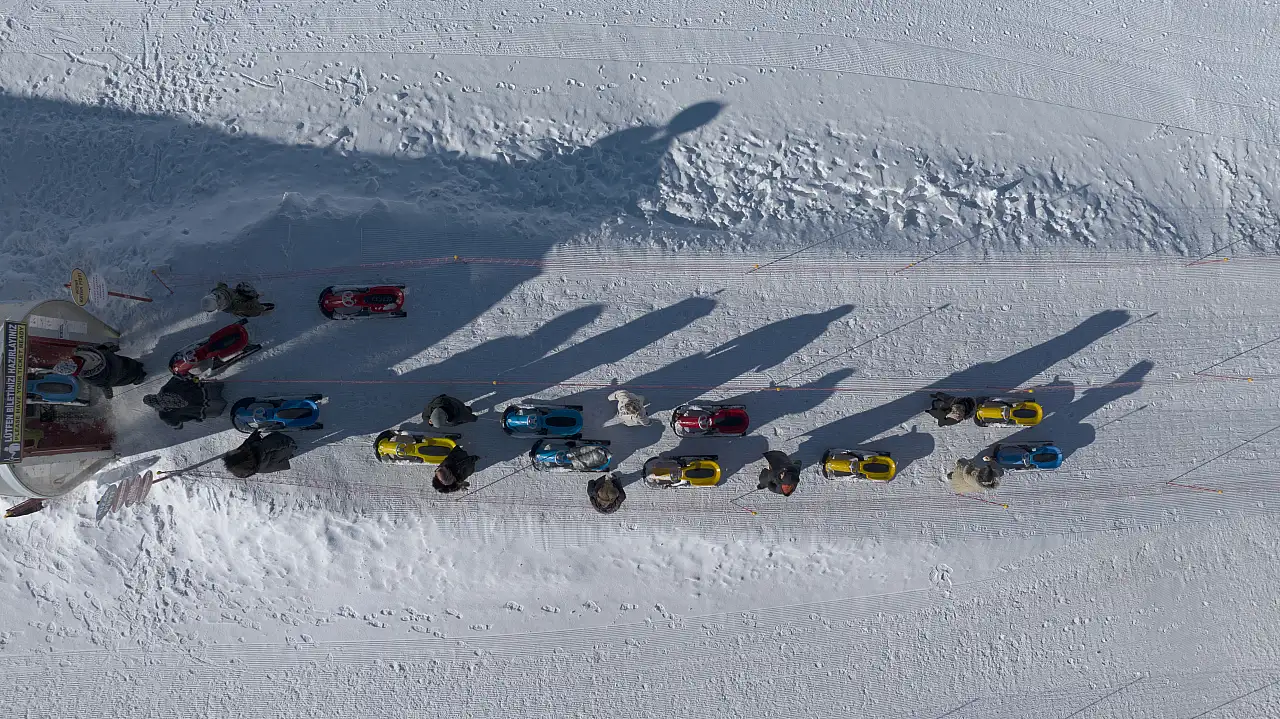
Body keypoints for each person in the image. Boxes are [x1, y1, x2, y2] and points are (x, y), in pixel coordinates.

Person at [142, 376, 228, 429]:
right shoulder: (165, 389)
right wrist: (196, 380)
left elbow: (177, 426)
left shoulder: (164, 415)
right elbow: (181, 378)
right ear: (153, 395)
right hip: (204, 391)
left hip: (204, 408)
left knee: (188, 413)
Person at [70, 343, 146, 398]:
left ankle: (142, 376)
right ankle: (141, 366)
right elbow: (102, 348)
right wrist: (110, 349)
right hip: (127, 363)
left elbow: (104, 385)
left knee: (137, 375)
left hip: (126, 375)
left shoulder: (89, 377)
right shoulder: (85, 352)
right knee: (135, 366)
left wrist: (108, 395)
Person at [224, 430, 297, 478]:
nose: (236, 450)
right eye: (235, 452)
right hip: (287, 444)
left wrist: (255, 434)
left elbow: (246, 444)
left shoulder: (249, 467)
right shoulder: (260, 450)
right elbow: (276, 443)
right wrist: (291, 443)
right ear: (240, 457)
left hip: (280, 458)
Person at [201, 281, 274, 317]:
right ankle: (256, 297)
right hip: (241, 295)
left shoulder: (232, 306)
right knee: (247, 297)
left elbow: (248, 307)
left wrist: (259, 308)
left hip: (244, 302)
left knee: (253, 310)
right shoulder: (217, 291)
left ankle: (262, 310)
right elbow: (222, 285)